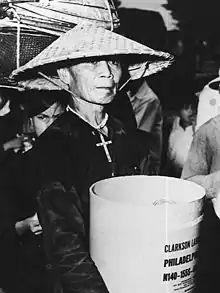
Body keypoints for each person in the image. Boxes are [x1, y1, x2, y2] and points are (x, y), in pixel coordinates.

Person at [9, 24, 173, 292]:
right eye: (91, 63)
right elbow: (65, 244)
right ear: (64, 74)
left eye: (113, 62)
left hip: (136, 271)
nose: (107, 73)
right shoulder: (53, 147)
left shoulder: (132, 139)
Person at [0, 90, 67, 293]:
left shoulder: (80, 159)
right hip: (30, 272)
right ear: (30, 121)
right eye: (42, 117)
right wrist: (26, 225)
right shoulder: (14, 169)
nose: (50, 125)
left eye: (58, 117)